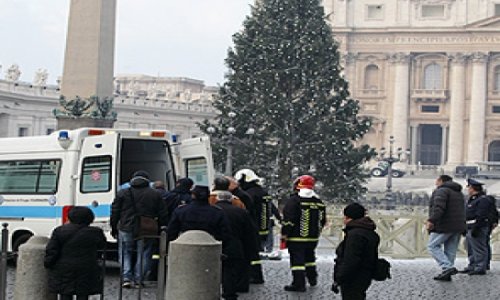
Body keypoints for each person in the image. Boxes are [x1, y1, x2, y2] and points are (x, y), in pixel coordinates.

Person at [110, 170, 169, 288]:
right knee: (145, 253)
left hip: (126, 226)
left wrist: (114, 226)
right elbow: (163, 212)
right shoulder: (155, 194)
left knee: (125, 252)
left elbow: (115, 211)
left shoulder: (123, 193)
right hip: (147, 227)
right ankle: (139, 279)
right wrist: (162, 226)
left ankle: (126, 277)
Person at [44, 206, 106, 300]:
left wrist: (48, 263)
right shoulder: (96, 232)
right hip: (87, 266)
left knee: (65, 293)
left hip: (64, 268)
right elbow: (102, 246)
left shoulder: (60, 231)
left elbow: (52, 250)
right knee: (83, 293)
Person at [281, 175, 326, 292]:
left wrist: (285, 233)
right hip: (312, 238)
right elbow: (322, 220)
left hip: (296, 237)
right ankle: (312, 278)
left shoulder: (294, 201)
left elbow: (289, 220)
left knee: (297, 262)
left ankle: (299, 284)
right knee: (310, 259)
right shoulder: (318, 201)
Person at [214, 189, 258, 298]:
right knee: (230, 269)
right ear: (231, 199)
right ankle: (231, 291)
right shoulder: (241, 212)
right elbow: (249, 231)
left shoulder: (212, 211)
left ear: (217, 199)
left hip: (214, 243)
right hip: (234, 243)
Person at [333, 203, 380, 300]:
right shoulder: (369, 232)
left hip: (353, 277)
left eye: (345, 216)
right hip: (364, 275)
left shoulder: (355, 235)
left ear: (349, 217)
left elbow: (350, 260)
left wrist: (339, 278)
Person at [234, 168, 271, 284]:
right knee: (254, 253)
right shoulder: (262, 192)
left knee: (248, 253)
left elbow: (247, 212)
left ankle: (253, 275)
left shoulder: (249, 194)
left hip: (252, 227)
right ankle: (256, 275)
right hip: (262, 227)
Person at [426, 175, 465, 281]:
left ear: (441, 181)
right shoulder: (459, 192)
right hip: (458, 225)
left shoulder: (441, 191)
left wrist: (431, 220)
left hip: (445, 224)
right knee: (450, 250)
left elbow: (439, 208)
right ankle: (446, 273)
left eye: (437, 180)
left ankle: (447, 267)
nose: (435, 183)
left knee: (432, 246)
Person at [461, 178, 492, 275]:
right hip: (469, 226)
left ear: (473, 188)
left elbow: (481, 215)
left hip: (477, 226)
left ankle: (480, 267)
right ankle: (472, 265)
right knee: (471, 247)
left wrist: (476, 227)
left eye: (469, 188)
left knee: (479, 248)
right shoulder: (473, 199)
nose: (468, 190)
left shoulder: (483, 200)